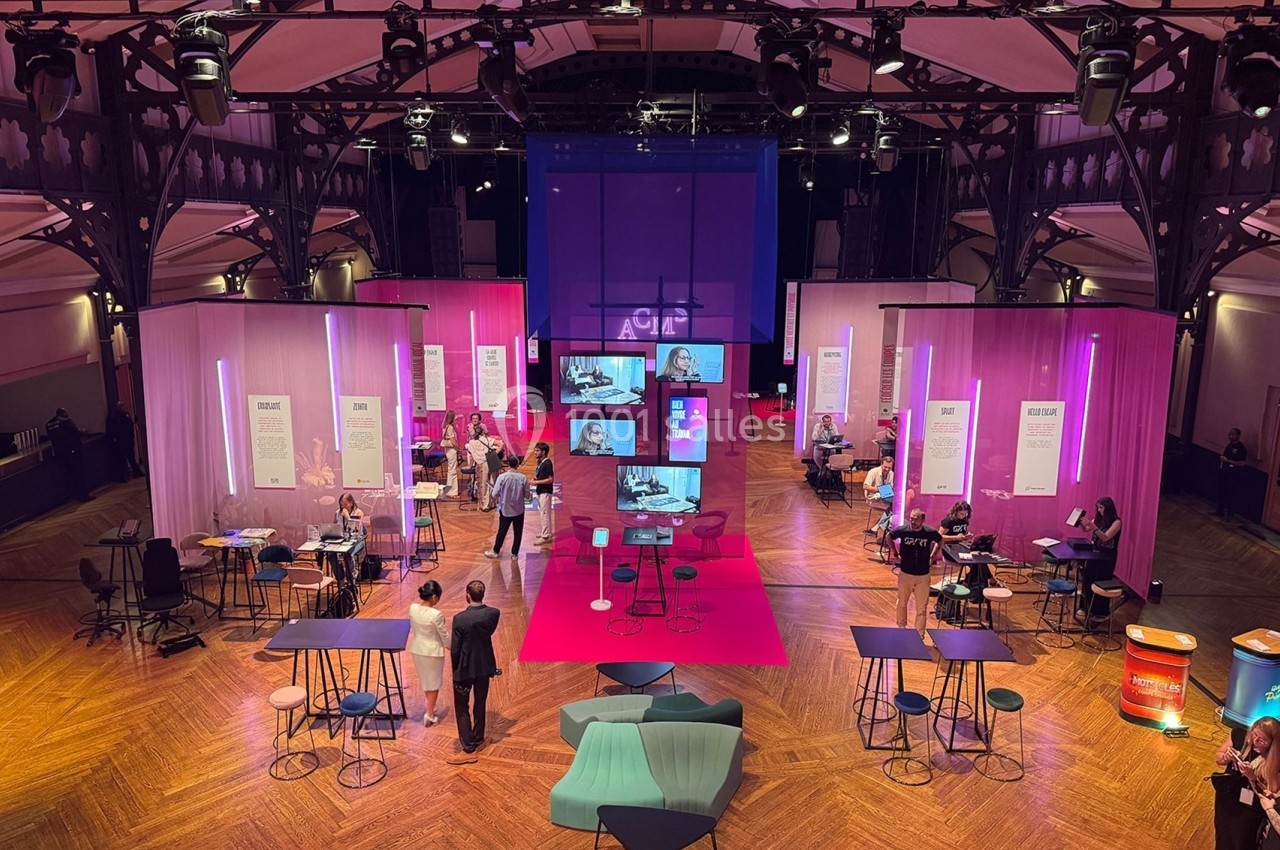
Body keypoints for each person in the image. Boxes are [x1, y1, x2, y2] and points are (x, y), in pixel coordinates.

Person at [446, 580, 500, 765]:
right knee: (480, 702)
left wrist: (455, 670)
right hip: (484, 666)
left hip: (465, 668)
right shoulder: (493, 614)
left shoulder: (460, 619)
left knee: (462, 708)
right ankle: (478, 737)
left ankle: (468, 746)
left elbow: (455, 649)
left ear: (467, 596)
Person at [1213, 716, 1278, 849]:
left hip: (1251, 807)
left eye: (1262, 740)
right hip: (1228, 795)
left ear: (1272, 742)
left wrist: (1252, 776)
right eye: (1255, 735)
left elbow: (1273, 791)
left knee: (1241, 841)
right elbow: (1218, 758)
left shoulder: (1276, 758)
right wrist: (1227, 758)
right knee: (1223, 835)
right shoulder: (1239, 735)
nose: (1256, 741)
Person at [887, 508, 942, 639]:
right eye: (911, 518)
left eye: (916, 519)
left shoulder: (929, 532)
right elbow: (889, 536)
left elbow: (940, 540)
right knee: (901, 602)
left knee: (921, 608)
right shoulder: (903, 530)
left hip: (923, 575)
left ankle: (919, 635)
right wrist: (894, 552)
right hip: (906, 573)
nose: (912, 521)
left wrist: (932, 555)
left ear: (923, 520)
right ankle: (901, 627)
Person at [409, 580, 449, 726]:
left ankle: (430, 707)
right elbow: (444, 636)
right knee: (433, 685)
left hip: (417, 650)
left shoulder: (412, 608)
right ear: (433, 597)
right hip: (432, 653)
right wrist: (452, 646)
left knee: (426, 682)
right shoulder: (436, 614)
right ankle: (429, 714)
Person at [1077, 496, 1122, 622]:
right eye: (1098, 508)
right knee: (1088, 578)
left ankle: (1100, 612)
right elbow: (1086, 529)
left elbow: (1106, 538)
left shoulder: (1116, 522)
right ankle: (1085, 607)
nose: (1099, 510)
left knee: (1101, 581)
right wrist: (1081, 523)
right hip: (1094, 552)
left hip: (1107, 556)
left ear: (1108, 508)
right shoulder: (1098, 519)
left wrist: (1094, 527)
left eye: (1101, 508)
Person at [484, 455, 528, 561]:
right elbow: (527, 495)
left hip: (505, 510)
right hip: (519, 510)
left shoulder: (502, 477)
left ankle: (496, 551)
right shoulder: (523, 478)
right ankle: (514, 554)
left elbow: (494, 494)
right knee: (518, 532)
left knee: (502, 531)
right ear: (518, 464)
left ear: (508, 464)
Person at [46, 407, 92, 501]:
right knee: (79, 473)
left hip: (59, 453)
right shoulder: (66, 421)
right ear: (64, 413)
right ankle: (83, 495)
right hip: (72, 451)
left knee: (68, 475)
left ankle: (74, 495)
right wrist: (83, 431)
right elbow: (75, 433)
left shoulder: (49, 424)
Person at [105, 402, 144, 482]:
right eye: (119, 406)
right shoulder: (112, 417)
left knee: (131, 457)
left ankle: (136, 472)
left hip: (127, 439)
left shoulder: (125, 415)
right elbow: (110, 430)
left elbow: (130, 425)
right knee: (121, 460)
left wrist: (132, 436)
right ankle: (122, 477)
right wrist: (114, 439)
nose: (121, 407)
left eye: (122, 406)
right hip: (119, 440)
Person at [1218, 428, 1248, 519]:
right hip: (1225, 472)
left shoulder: (1241, 448)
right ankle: (1219, 511)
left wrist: (1229, 461)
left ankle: (1229, 514)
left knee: (1231, 494)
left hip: (1234, 474)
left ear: (1238, 436)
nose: (1230, 436)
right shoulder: (1229, 446)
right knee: (1222, 491)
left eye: (1233, 434)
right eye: (1229, 434)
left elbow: (1242, 463)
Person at [863, 455, 894, 540]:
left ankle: (876, 528)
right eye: (885, 467)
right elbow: (865, 487)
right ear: (881, 464)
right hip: (873, 498)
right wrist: (879, 489)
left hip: (885, 496)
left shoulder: (891, 473)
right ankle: (880, 527)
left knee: (896, 507)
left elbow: (890, 488)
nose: (887, 469)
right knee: (895, 509)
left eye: (889, 468)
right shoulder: (873, 472)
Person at [531, 442, 554, 544]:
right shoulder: (540, 462)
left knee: (545, 513)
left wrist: (536, 482)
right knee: (543, 513)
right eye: (535, 450)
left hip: (545, 492)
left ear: (543, 452)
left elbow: (550, 479)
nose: (535, 452)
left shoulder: (547, 463)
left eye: (537, 451)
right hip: (540, 491)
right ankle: (546, 531)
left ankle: (545, 536)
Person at [440, 409, 460, 497]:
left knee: (451, 469)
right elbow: (453, 440)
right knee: (452, 470)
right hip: (451, 449)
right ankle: (452, 491)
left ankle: (450, 490)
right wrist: (458, 448)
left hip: (448, 449)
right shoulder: (450, 427)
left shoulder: (445, 426)